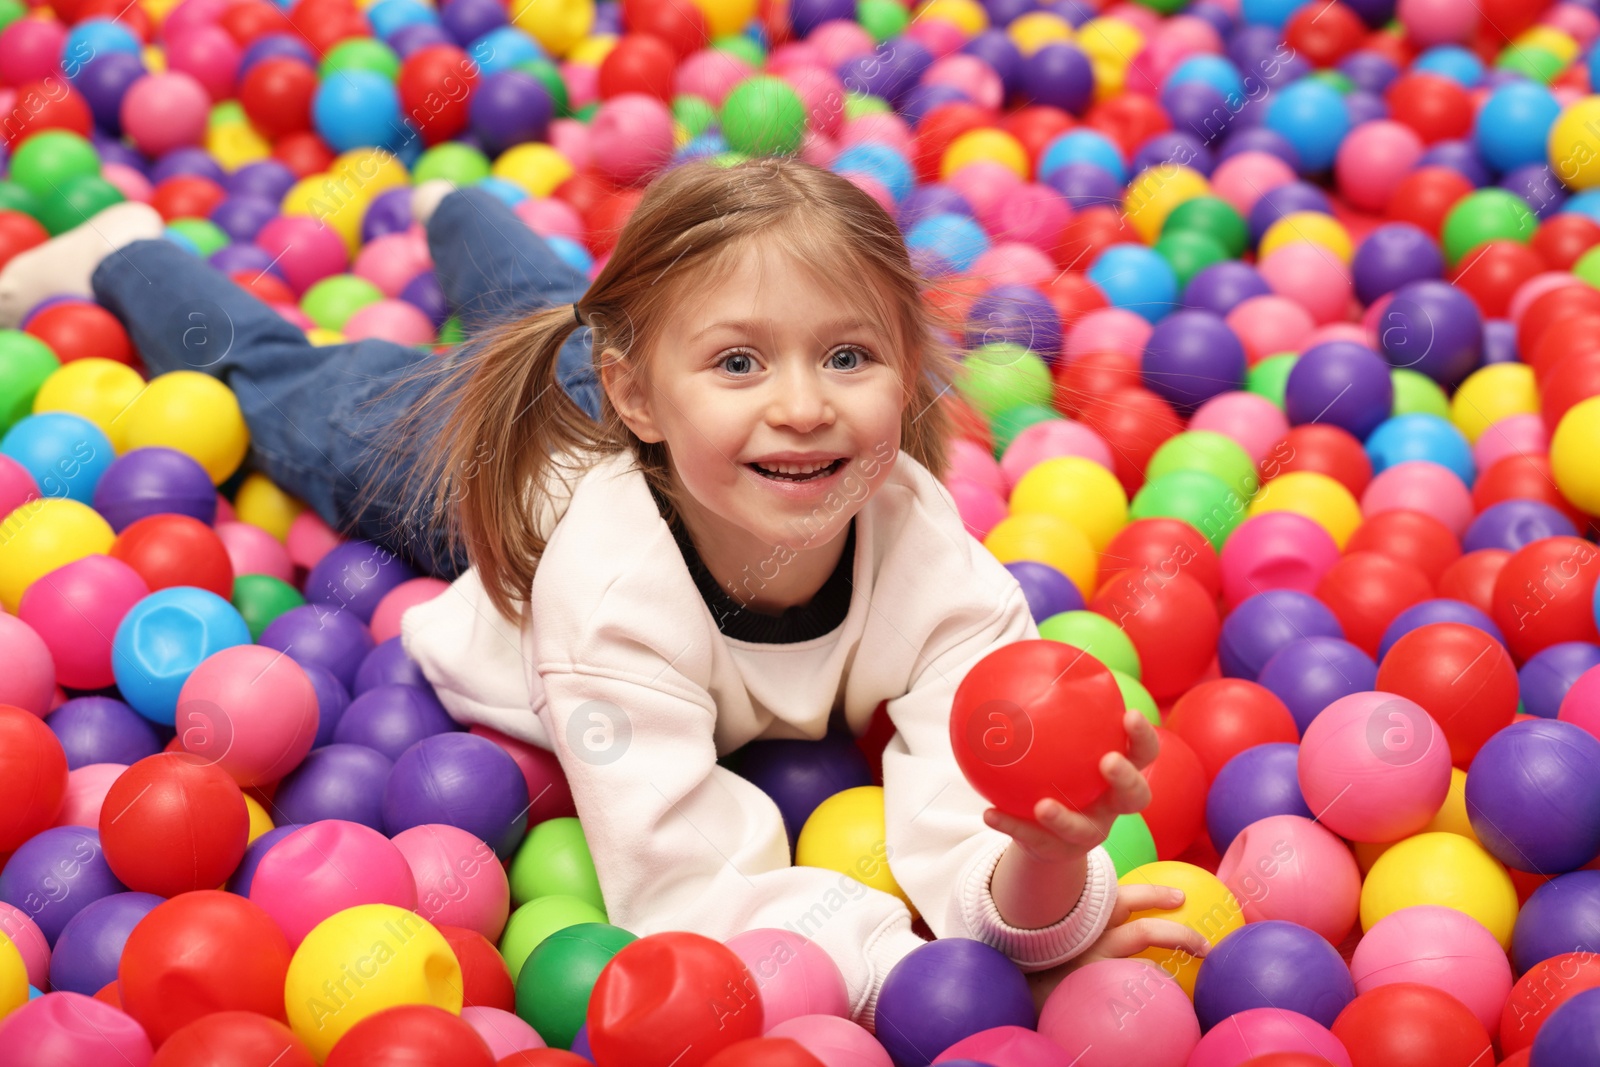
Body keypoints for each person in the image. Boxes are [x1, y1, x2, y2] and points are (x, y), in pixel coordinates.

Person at [0, 156, 1203, 1029]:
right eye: (742, 359)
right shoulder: (610, 586)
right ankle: (128, 247)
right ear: (647, 399)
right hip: (508, 483)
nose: (801, 403)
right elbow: (686, 877)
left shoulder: (914, 533)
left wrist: (1037, 887)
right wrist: (914, 975)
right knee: (286, 386)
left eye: (849, 354)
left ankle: (457, 206)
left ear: (906, 370)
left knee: (548, 316)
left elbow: (966, 790)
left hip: (640, 406)